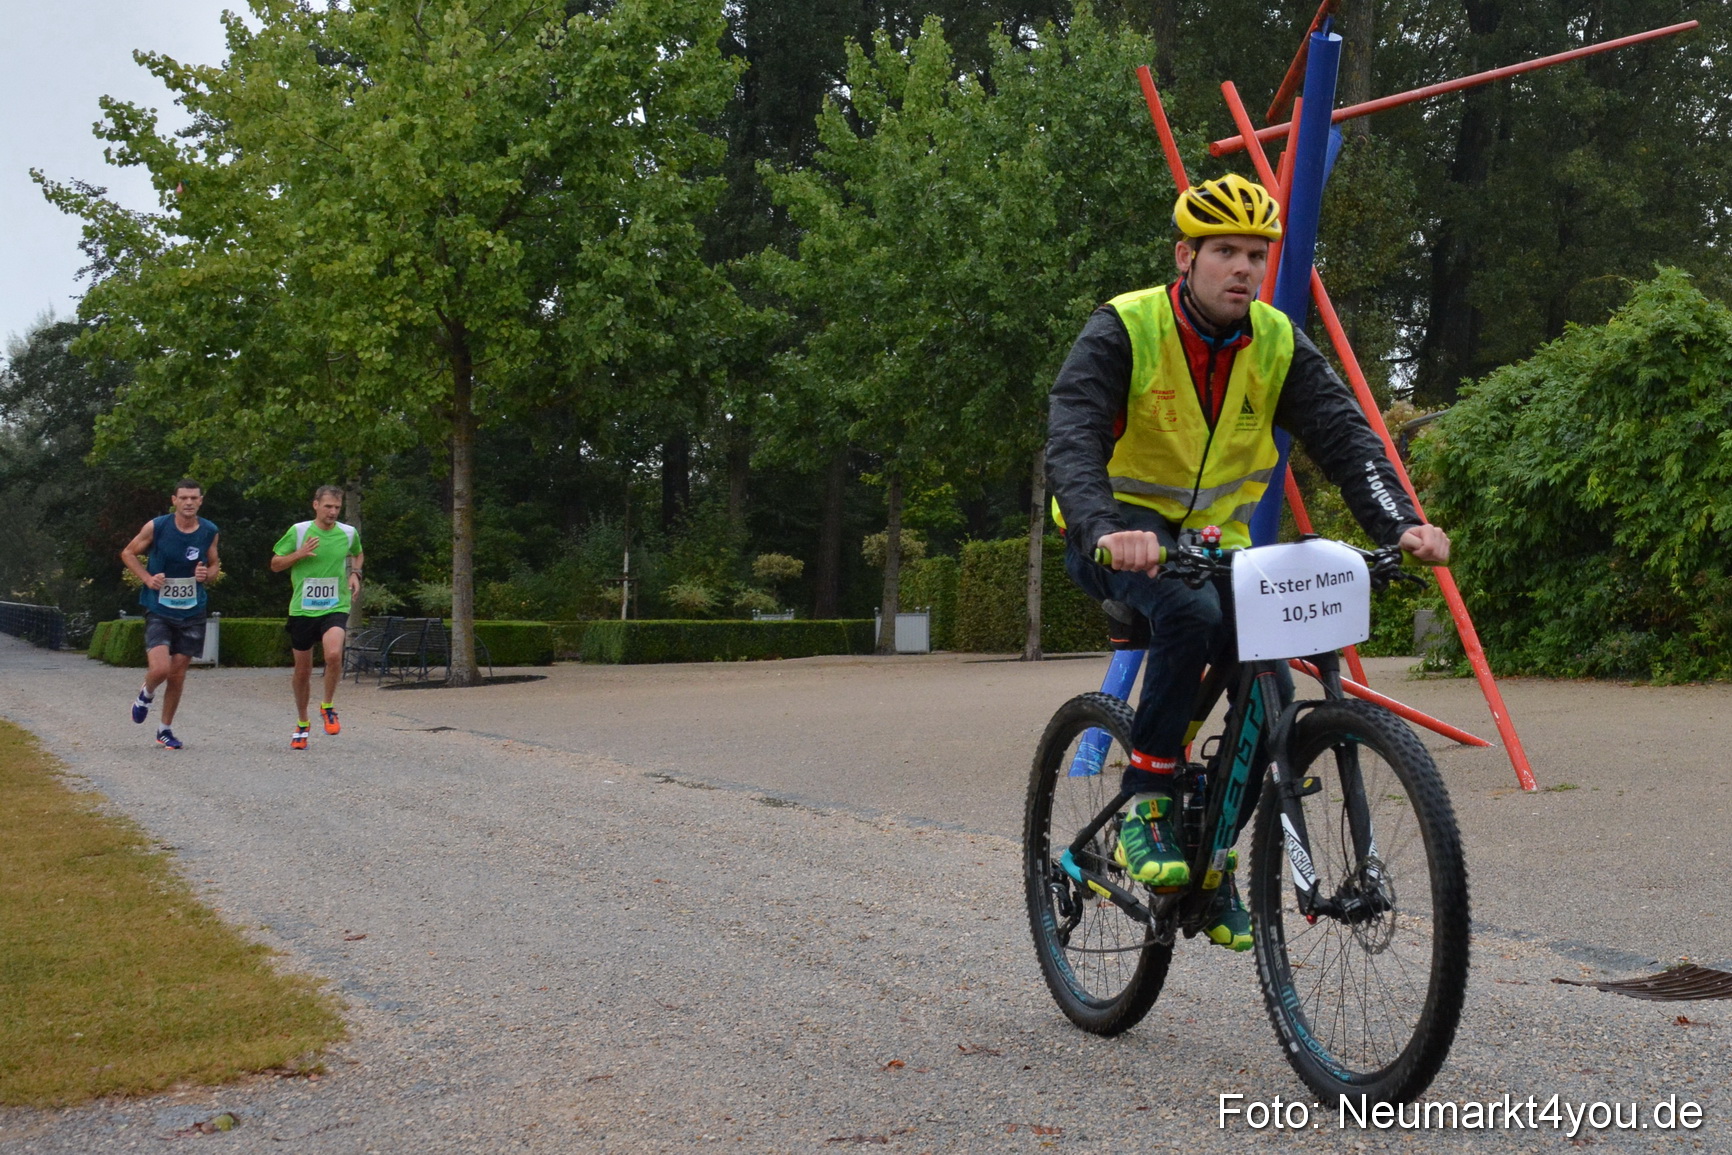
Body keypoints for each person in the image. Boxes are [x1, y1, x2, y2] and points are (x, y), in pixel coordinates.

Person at [1046, 173, 1450, 951]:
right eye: (1225, 251)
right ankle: (1147, 796)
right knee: (1188, 611)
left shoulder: (1275, 342)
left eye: (1256, 255)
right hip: (1115, 533)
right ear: (1185, 256)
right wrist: (1103, 526)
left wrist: (1401, 523)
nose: (1243, 268)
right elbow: (1072, 436)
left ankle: (1211, 856)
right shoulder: (1125, 327)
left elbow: (1346, 438)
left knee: (1273, 679)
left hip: (1213, 543)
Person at [120, 479, 222, 749]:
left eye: (194, 498)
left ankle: (164, 729)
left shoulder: (209, 530)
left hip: (193, 611)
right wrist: (147, 578)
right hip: (159, 609)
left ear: (201, 501)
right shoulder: (158, 526)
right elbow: (128, 553)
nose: (189, 502)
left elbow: (214, 564)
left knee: (177, 675)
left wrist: (207, 574)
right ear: (174, 500)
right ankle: (146, 693)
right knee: (160, 669)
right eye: (184, 498)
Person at [270, 485, 364, 750]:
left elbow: (358, 552)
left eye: (337, 507)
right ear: (316, 505)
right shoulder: (299, 531)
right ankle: (302, 723)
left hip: (335, 605)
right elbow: (275, 564)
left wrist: (355, 573)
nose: (332, 512)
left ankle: (328, 706)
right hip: (302, 609)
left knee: (333, 654)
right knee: (302, 671)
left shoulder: (348, 533)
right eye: (328, 506)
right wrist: (298, 554)